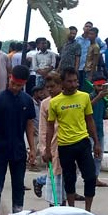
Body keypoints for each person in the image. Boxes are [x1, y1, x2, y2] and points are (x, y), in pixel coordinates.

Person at [43, 67, 100, 211]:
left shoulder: (84, 97)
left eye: (75, 81)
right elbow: (49, 127)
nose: (74, 84)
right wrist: (48, 149)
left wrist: (97, 143)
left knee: (90, 177)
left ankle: (88, 210)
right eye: (70, 82)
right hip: (64, 145)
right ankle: (72, 210)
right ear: (62, 83)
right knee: (69, 180)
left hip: (83, 142)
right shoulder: (55, 102)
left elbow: (90, 120)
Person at [0, 65, 37, 215]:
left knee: (18, 186)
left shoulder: (27, 101)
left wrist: (32, 148)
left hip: (18, 150)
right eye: (13, 84)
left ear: (24, 84)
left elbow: (29, 125)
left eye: (19, 85)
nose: (15, 87)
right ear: (9, 78)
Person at [34, 72, 67, 206]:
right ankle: (54, 210)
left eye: (53, 86)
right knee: (55, 181)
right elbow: (43, 129)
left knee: (67, 183)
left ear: (60, 85)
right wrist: (44, 149)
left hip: (69, 145)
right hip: (52, 148)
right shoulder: (45, 104)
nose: (50, 90)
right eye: (47, 87)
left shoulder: (68, 99)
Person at [76, 22, 106, 89]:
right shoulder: (78, 39)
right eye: (86, 26)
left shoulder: (96, 42)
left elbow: (104, 46)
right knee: (79, 85)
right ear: (83, 28)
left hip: (90, 69)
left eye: (90, 27)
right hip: (80, 66)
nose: (88, 28)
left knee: (87, 86)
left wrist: (98, 53)